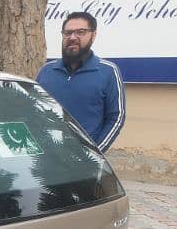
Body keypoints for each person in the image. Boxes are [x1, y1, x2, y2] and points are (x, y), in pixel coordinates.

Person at [37, 11, 125, 152]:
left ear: (93, 35)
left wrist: (95, 154)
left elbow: (116, 117)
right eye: (67, 33)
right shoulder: (46, 71)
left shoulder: (108, 71)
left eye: (80, 32)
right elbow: (35, 111)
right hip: (47, 156)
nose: (72, 37)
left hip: (84, 162)